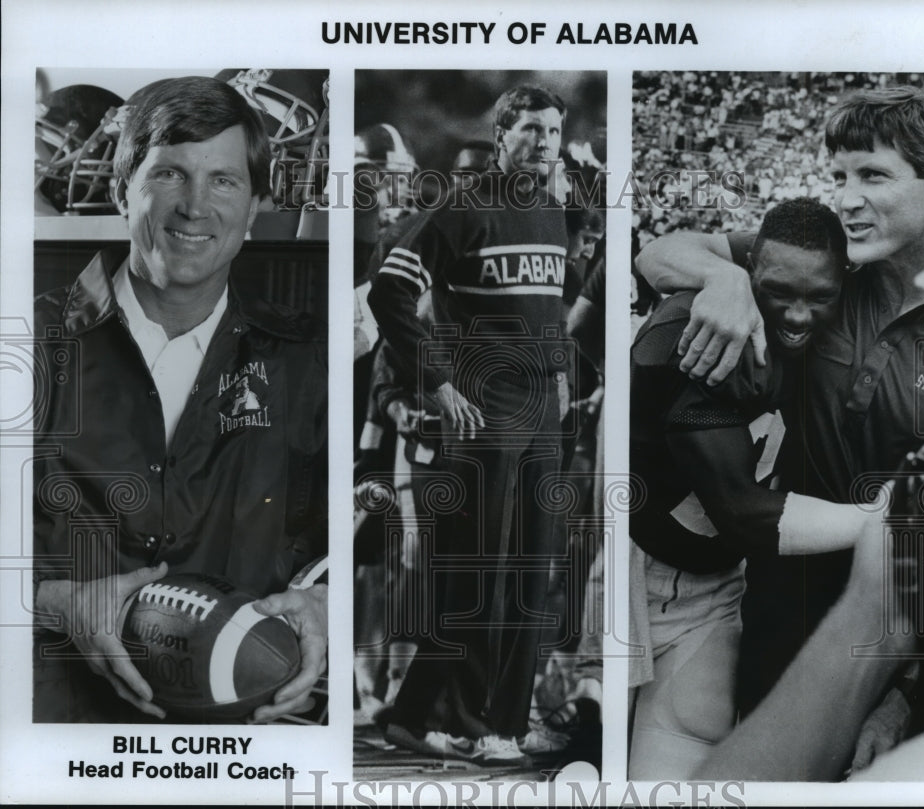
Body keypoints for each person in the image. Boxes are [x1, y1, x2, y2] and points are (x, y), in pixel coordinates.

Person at [635, 85, 924, 730]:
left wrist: (913, 687)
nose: (847, 199)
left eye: (872, 176)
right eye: (840, 176)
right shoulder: (828, 270)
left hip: (907, 640)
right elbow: (659, 252)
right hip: (780, 617)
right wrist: (725, 278)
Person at [33, 76, 328, 723]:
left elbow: (357, 525)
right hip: (54, 735)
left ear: (254, 208)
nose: (195, 207)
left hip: (241, 737)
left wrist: (328, 603)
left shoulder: (309, 359)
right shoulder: (24, 347)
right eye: (169, 174)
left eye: (223, 180)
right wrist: (59, 602)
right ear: (120, 188)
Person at [629, 197, 884, 778]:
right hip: (632, 570)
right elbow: (744, 512)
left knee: (684, 758)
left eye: (819, 298)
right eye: (778, 295)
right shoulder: (694, 333)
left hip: (715, 584)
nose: (797, 315)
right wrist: (884, 518)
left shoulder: (816, 262)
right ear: (753, 270)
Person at [368, 84, 571, 765]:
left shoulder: (552, 209)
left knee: (532, 573)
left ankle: (475, 720)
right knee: (482, 576)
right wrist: (440, 378)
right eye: (531, 131)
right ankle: (467, 721)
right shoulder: (460, 205)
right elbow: (389, 290)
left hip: (544, 406)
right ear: (502, 132)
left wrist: (564, 372)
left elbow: (548, 306)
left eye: (553, 132)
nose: (542, 144)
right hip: (485, 407)